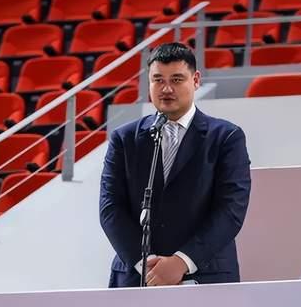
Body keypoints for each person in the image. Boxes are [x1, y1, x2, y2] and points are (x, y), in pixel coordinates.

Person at [99, 42, 252, 287]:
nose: (166, 89)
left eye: (177, 79)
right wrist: (145, 265)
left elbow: (231, 209)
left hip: (206, 276)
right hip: (136, 276)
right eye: (158, 80)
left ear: (196, 80)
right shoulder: (123, 139)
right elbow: (110, 208)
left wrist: (181, 262)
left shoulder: (226, 137)